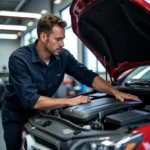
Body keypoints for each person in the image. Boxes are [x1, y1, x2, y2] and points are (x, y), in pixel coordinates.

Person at [1, 13, 140, 150]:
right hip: (15, 114)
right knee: (15, 146)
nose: (62, 44)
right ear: (43, 37)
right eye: (58, 39)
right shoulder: (19, 59)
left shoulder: (63, 56)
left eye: (63, 39)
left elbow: (88, 76)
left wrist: (115, 92)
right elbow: (31, 100)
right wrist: (69, 101)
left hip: (41, 111)